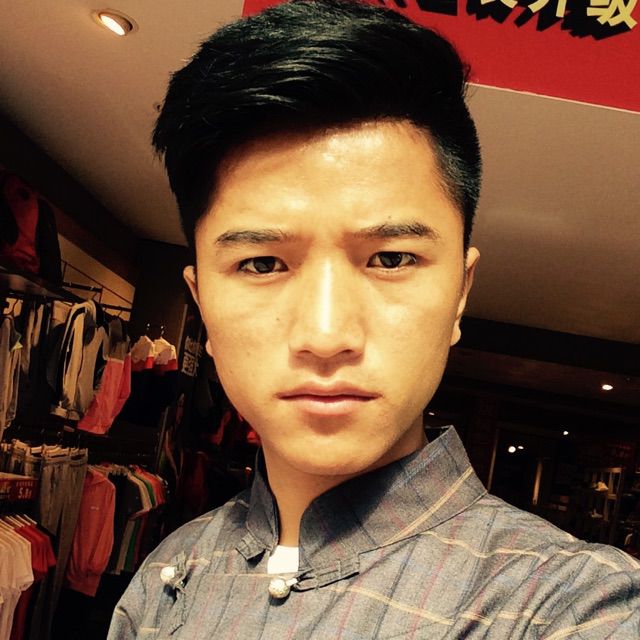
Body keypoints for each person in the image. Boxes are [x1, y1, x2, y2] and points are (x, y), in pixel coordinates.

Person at [108, 1, 640, 637]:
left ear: (460, 294)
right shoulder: (166, 576)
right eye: (261, 264)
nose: (326, 335)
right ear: (201, 305)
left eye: (391, 258)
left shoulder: (570, 605)